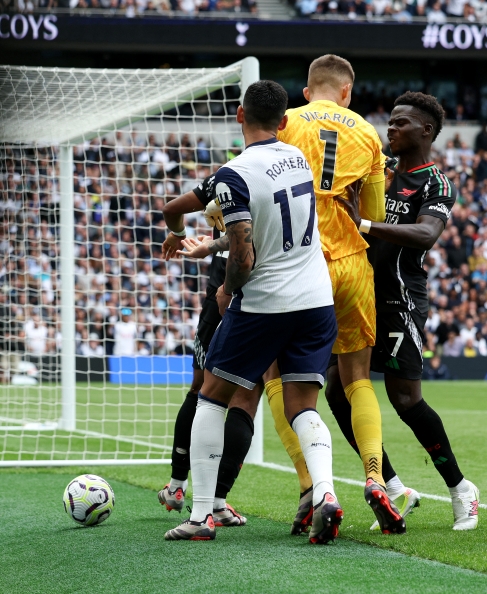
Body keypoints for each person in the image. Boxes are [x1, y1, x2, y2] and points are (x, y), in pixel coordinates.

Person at [163, 80, 341, 544]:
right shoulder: (299, 158)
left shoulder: (232, 174)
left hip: (266, 303)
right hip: (317, 299)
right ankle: (324, 493)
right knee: (303, 405)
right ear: (284, 121)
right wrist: (213, 247)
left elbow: (244, 255)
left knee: (211, 395)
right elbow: (266, 229)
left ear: (239, 116)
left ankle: (201, 516)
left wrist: (226, 289)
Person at [331, 92, 480, 531]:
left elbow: (426, 234)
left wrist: (365, 224)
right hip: (357, 293)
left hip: (399, 297)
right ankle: (395, 489)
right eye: (389, 122)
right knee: (339, 393)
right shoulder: (379, 173)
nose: (390, 129)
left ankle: (461, 489)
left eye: (400, 123)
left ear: (426, 131)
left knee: (405, 399)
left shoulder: (435, 182)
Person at [274, 55, 406, 534]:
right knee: (356, 378)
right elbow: (371, 214)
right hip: (351, 264)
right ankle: (376, 478)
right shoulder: (368, 134)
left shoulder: (286, 122)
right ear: (347, 92)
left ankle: (310, 482)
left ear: (308, 90)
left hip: (296, 262)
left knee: (279, 373)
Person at [156, 177, 263, 528]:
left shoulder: (227, 181)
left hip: (214, 298)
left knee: (201, 390)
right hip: (253, 299)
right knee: (243, 398)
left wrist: (188, 237)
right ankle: (216, 502)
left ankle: (176, 486)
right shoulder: (274, 181)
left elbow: (174, 210)